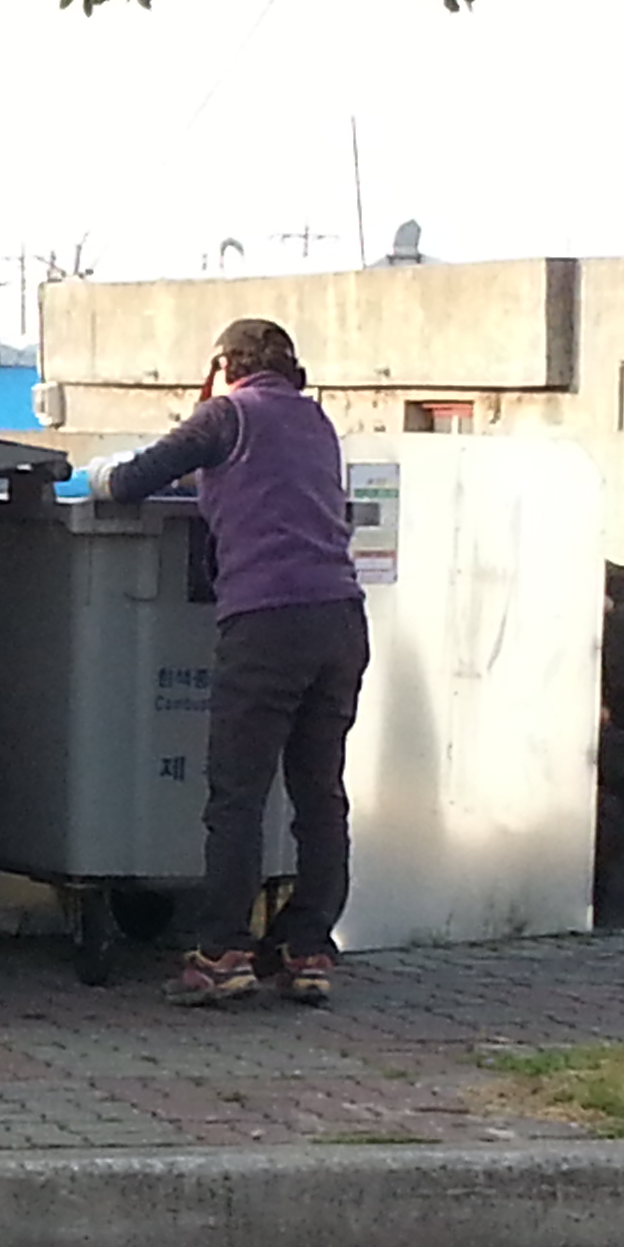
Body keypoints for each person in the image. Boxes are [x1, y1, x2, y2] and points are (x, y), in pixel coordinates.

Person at [88, 316, 368, 1009]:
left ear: (224, 365)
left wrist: (95, 474)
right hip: (340, 619)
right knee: (319, 793)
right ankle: (308, 951)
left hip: (267, 624)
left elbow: (131, 482)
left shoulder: (227, 415)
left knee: (237, 796)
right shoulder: (316, 421)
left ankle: (223, 953)